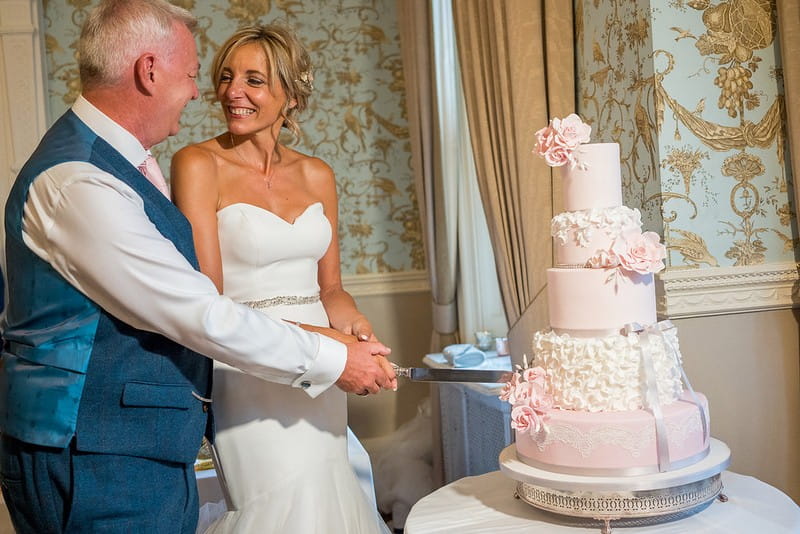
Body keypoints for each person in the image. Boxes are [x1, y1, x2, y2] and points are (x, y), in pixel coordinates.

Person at [0, 2, 395, 533]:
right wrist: (332, 356)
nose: (202, 92)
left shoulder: (120, 164)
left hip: (137, 438)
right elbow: (198, 310)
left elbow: (328, 285)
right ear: (148, 70)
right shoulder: (80, 180)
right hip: (92, 447)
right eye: (196, 76)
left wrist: (345, 334)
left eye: (252, 79)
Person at [170, 24, 392, 534]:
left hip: (324, 374)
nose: (232, 92)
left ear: (290, 95)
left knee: (328, 495)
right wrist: (332, 345)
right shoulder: (198, 164)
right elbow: (212, 299)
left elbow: (330, 290)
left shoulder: (317, 174)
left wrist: (358, 332)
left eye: (253, 80)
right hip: (248, 367)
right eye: (226, 77)